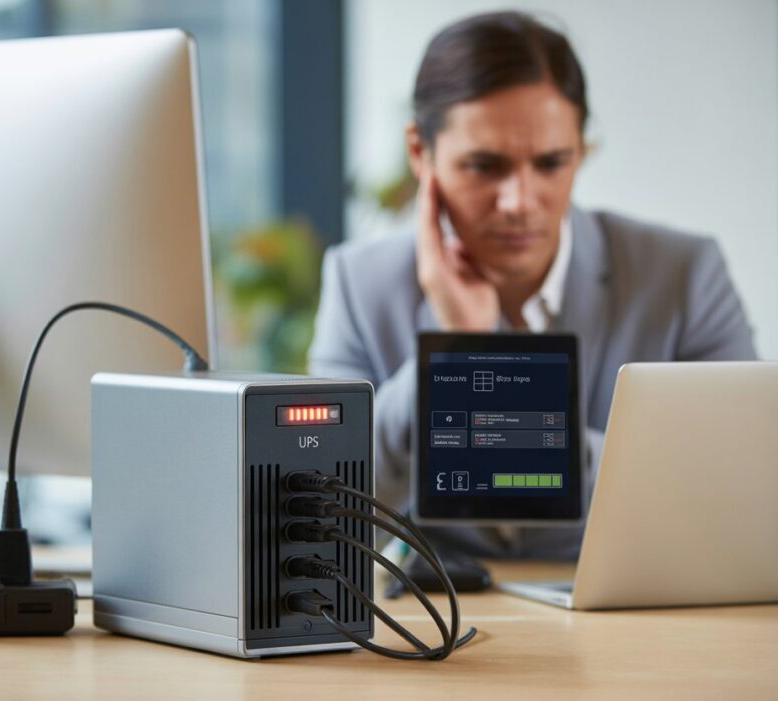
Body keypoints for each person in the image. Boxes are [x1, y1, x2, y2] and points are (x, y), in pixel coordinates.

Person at [308, 11, 757, 559]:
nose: (520, 202)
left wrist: (492, 387)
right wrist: (451, 350)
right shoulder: (361, 285)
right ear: (421, 154)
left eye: (551, 163)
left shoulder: (684, 276)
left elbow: (738, 498)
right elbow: (325, 522)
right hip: (445, 626)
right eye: (484, 165)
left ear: (580, 152)